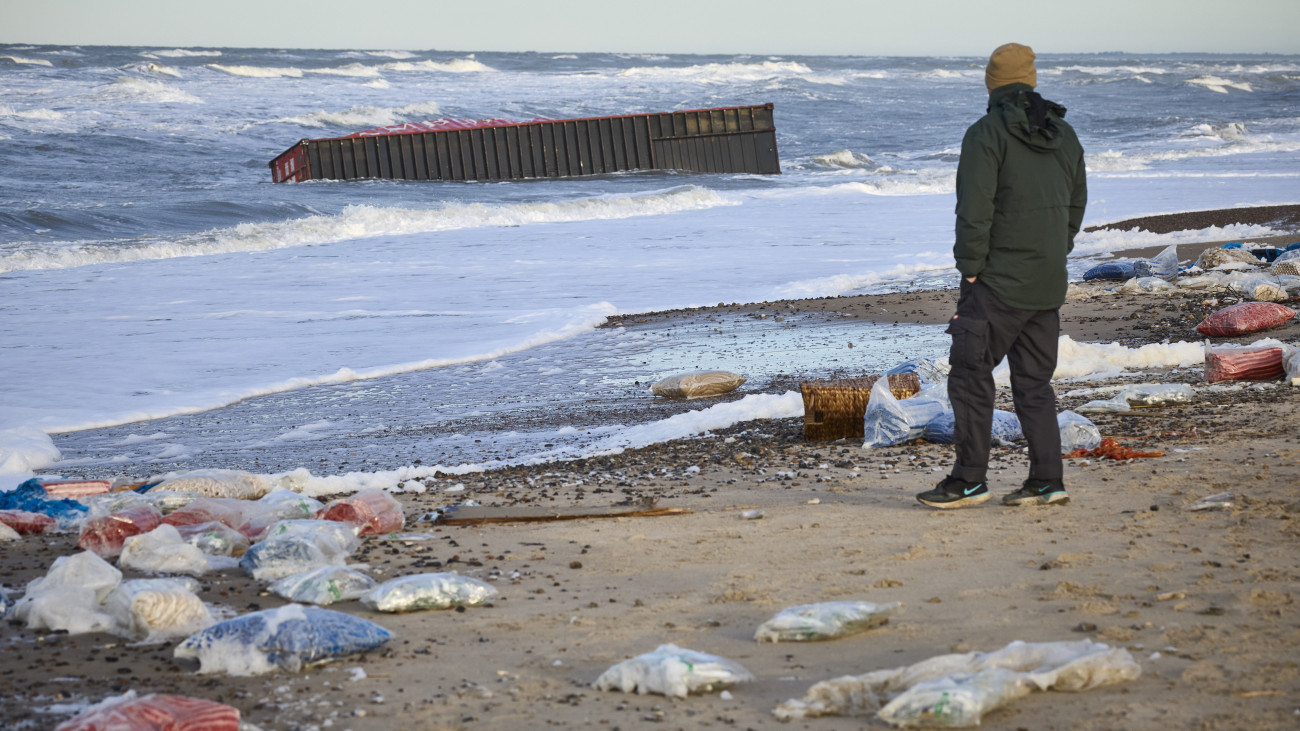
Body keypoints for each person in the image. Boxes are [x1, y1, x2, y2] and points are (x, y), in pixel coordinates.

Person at [916, 43, 1087, 509]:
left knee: (970, 376)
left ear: (992, 84)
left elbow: (974, 210)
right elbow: (1075, 208)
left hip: (996, 284)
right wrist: (1055, 251)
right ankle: (1047, 481)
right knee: (1034, 385)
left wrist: (970, 270)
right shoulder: (1065, 135)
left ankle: (970, 480)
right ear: (1030, 81)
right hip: (1047, 283)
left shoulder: (986, 133)